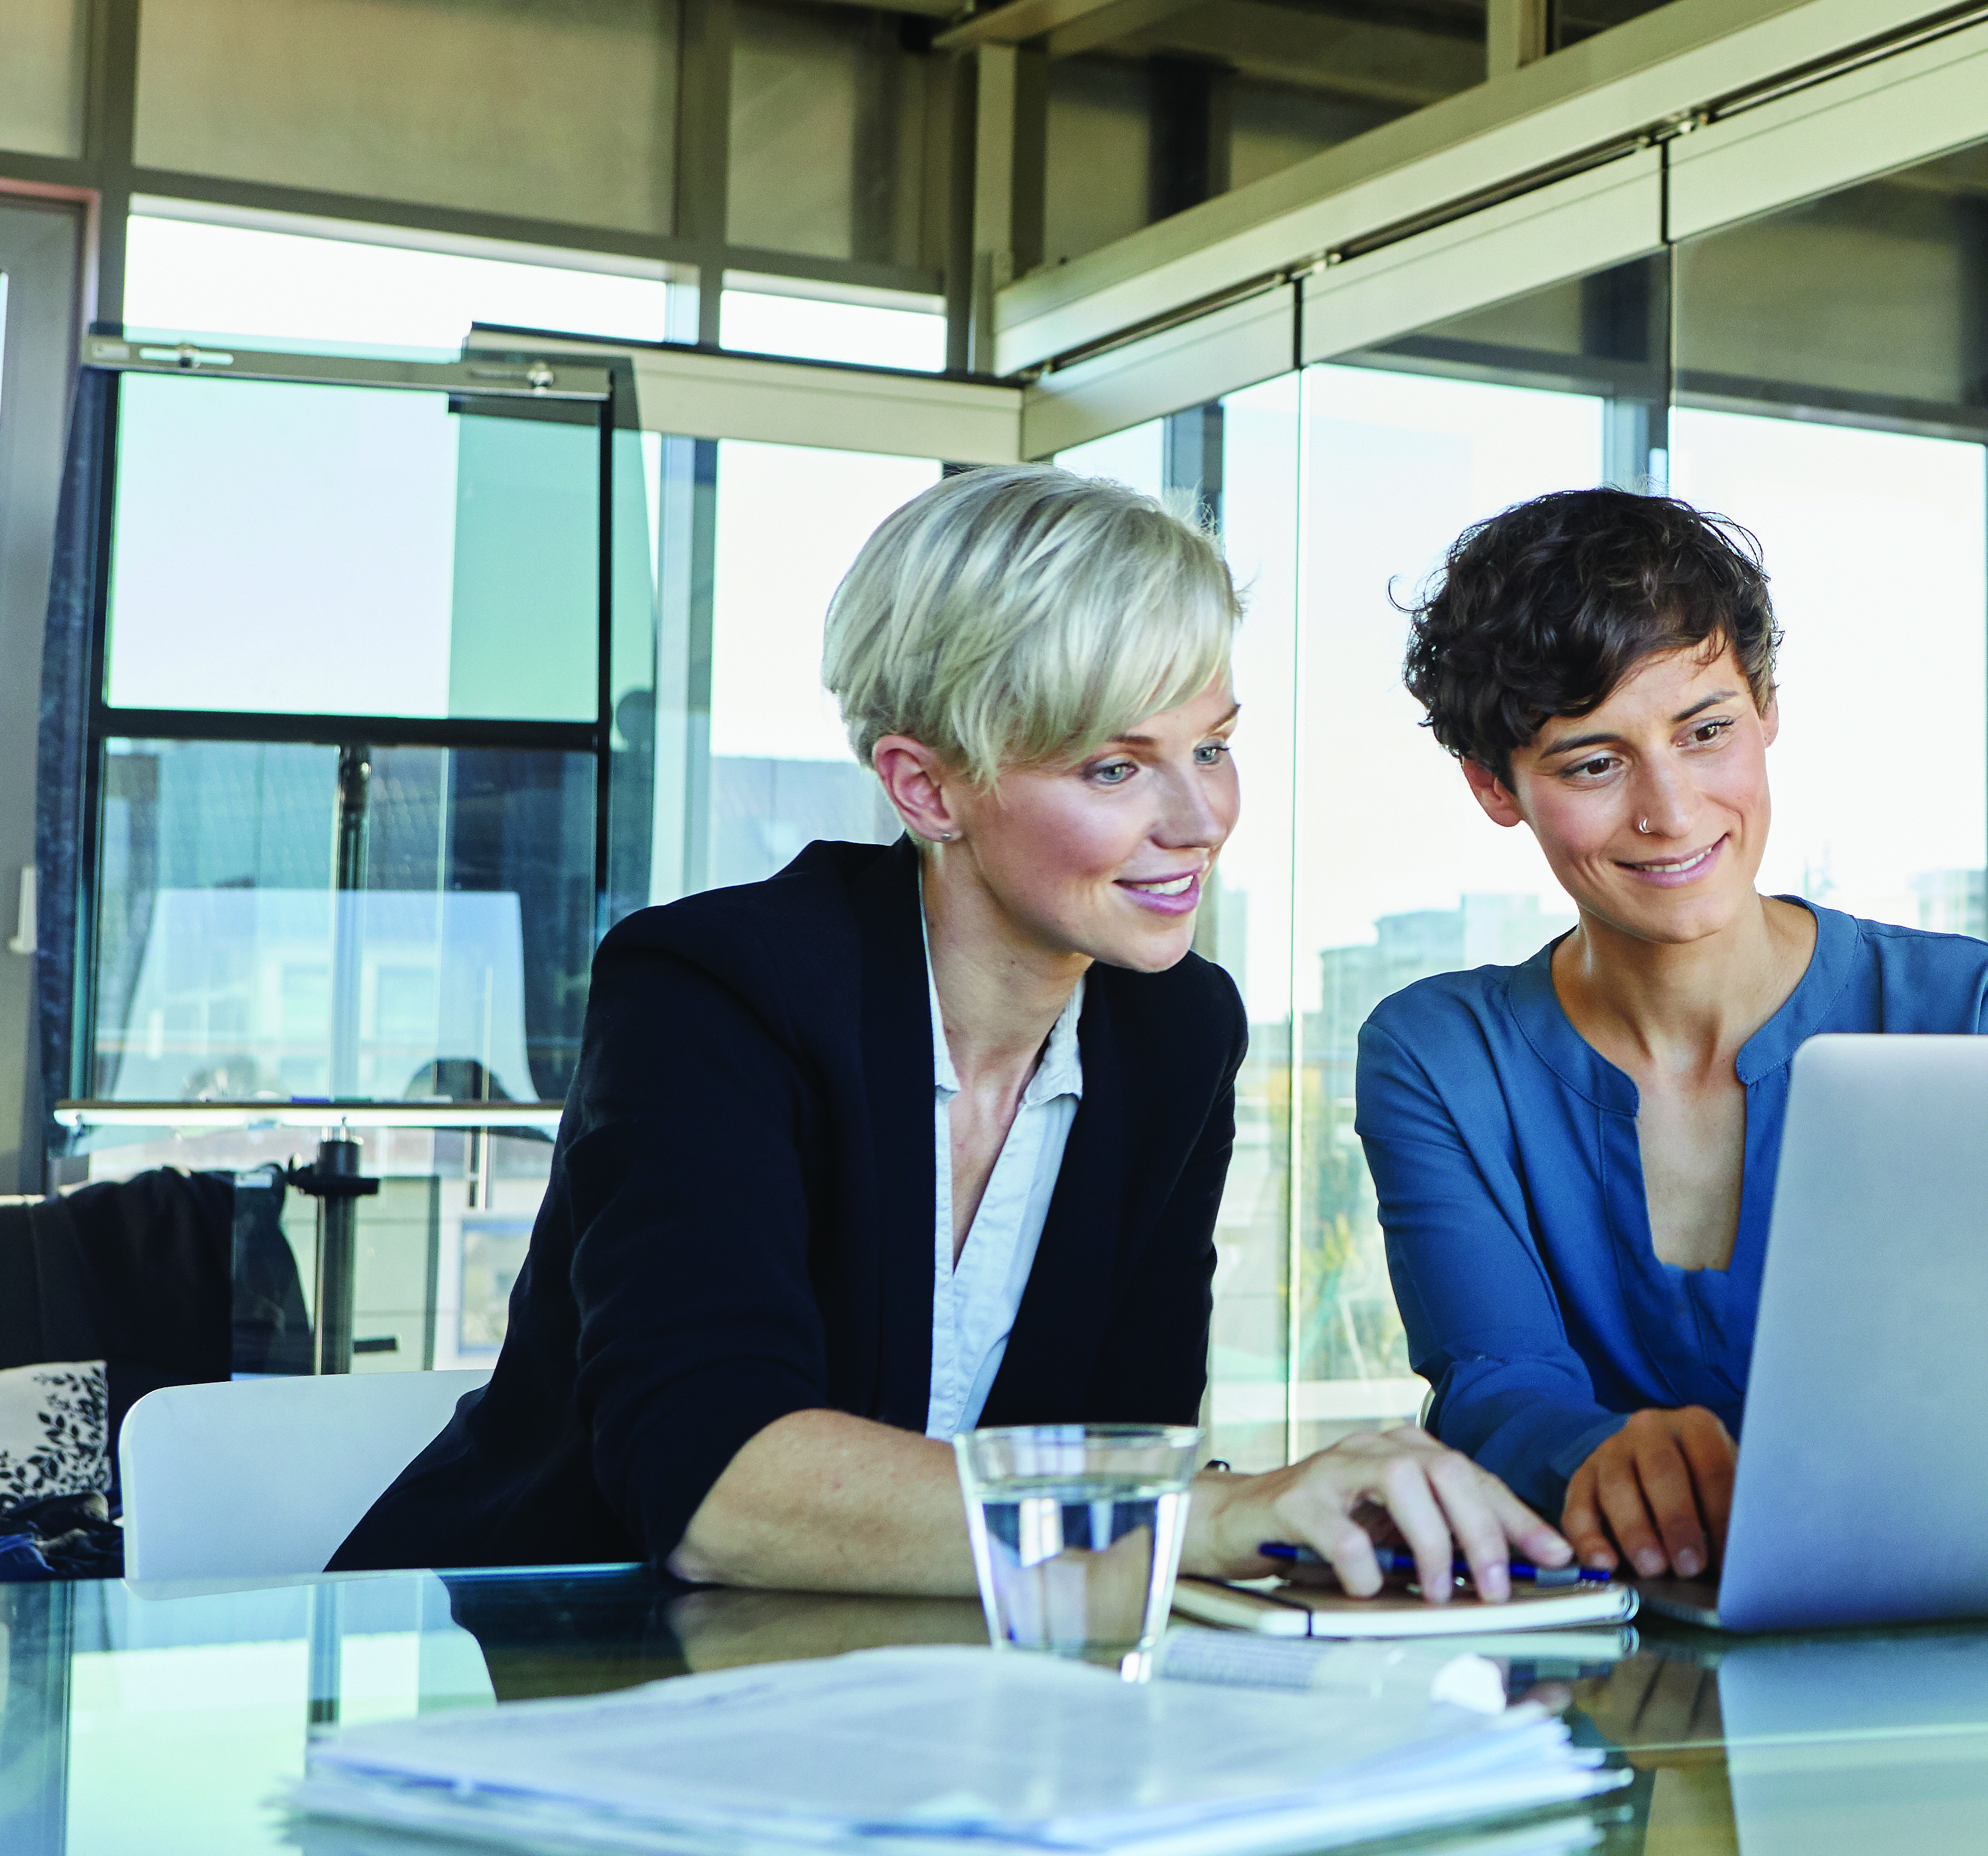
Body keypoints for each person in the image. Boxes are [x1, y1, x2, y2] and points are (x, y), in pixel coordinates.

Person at [340, 466, 1565, 1602]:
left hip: (895, 1693)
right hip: (537, 1670)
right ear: (926, 788)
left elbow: (1122, 1448)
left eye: (1213, 745)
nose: (1201, 818)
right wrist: (1224, 1513)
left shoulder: (1176, 1029)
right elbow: (715, 1490)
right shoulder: (713, 988)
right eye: (1113, 768)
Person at [1358, 489, 1988, 1585]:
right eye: (1594, 763)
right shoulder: (1443, 1054)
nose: (1672, 813)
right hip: (1607, 1653)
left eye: (1706, 732)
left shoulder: (1961, 1012)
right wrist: (1599, 1455)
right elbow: (1493, 1382)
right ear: (1497, 788)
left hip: (1943, 1605)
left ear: (1766, 708)